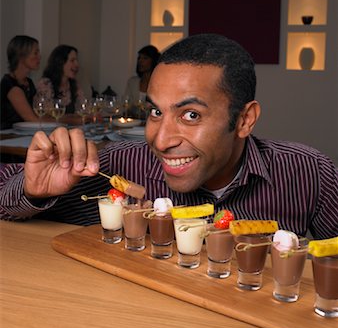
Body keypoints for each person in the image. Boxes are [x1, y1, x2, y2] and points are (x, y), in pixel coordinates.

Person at [0, 34, 337, 239]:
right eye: (156, 112)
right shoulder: (119, 164)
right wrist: (33, 190)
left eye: (191, 115)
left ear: (245, 120)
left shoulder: (309, 173)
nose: (160, 142)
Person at [0, 35, 41, 129]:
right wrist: (62, 121)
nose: (39, 56)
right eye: (35, 53)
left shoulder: (28, 82)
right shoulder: (10, 84)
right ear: (21, 56)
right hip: (7, 137)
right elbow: (32, 120)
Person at [36, 44, 85, 114]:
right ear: (60, 62)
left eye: (77, 60)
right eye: (72, 60)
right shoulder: (46, 84)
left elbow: (83, 109)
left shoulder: (74, 85)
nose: (77, 64)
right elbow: (47, 114)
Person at [124, 45, 160, 116]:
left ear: (153, 61)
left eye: (145, 58)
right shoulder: (132, 82)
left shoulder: (160, 83)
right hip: (134, 122)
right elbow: (126, 105)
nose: (140, 61)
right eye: (139, 58)